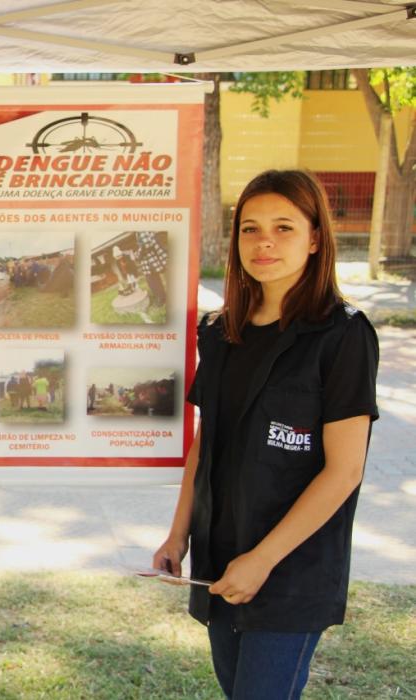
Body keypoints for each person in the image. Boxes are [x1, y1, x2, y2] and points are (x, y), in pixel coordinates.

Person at [153, 170, 378, 699]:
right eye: (249, 229)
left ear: (316, 237)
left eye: (284, 227)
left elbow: (344, 470)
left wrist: (263, 559)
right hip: (221, 557)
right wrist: (177, 534)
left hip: (293, 565)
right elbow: (206, 444)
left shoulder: (344, 335)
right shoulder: (220, 330)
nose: (264, 242)